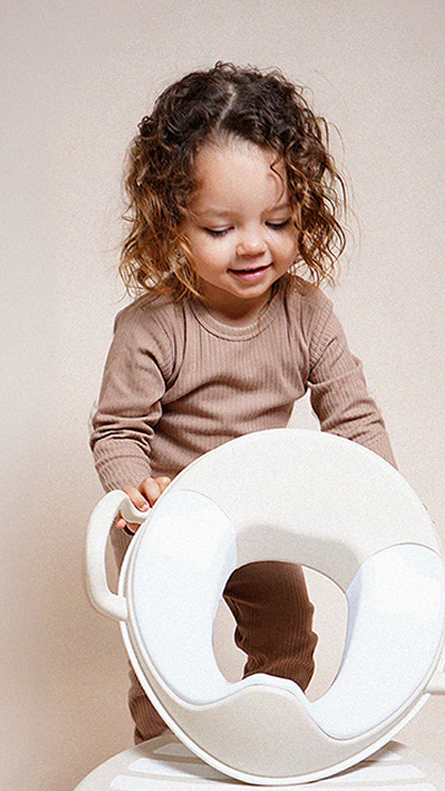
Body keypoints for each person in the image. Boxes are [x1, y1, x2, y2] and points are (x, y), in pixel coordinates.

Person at [90, 62, 395, 742]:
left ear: (304, 213)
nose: (254, 244)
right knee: (165, 654)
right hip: (166, 524)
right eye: (221, 228)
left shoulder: (307, 316)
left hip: (259, 517)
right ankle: (160, 755)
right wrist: (138, 494)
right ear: (173, 226)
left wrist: (387, 499)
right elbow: (116, 432)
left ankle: (264, 745)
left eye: (278, 220)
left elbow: (352, 413)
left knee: (290, 636)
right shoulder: (153, 326)